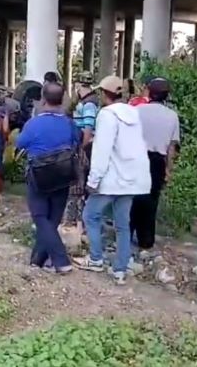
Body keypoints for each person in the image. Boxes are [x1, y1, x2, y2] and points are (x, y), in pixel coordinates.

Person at [75, 75, 151, 285]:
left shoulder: (107, 115)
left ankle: (96, 259)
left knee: (90, 215)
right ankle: (120, 268)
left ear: (104, 94)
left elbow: (102, 150)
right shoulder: (134, 113)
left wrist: (93, 180)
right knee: (122, 224)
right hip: (133, 178)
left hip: (112, 178)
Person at [16, 82, 78, 275]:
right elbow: (76, 141)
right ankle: (37, 259)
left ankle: (61, 261)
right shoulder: (69, 123)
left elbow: (20, 143)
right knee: (52, 220)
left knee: (40, 218)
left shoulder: (34, 123)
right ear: (62, 101)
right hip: (63, 176)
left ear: (42, 100)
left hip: (39, 177)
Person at [130, 78, 180, 253]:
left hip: (137, 157)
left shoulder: (136, 111)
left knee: (133, 196)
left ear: (148, 92)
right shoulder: (172, 116)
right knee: (152, 200)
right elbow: (171, 147)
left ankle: (127, 234)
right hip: (158, 160)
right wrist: (168, 169)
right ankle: (146, 239)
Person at [62, 73, 99, 231]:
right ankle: (77, 221)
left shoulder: (89, 104)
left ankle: (78, 222)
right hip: (83, 145)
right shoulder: (85, 101)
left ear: (78, 85)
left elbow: (88, 129)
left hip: (85, 147)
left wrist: (80, 148)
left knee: (78, 185)